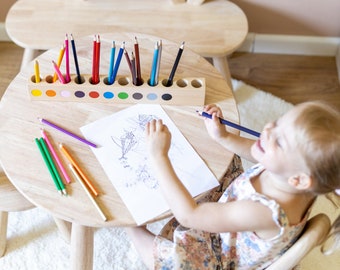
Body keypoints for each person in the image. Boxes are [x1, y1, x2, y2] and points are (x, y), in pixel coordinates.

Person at [126, 101, 340, 269]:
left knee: (172, 260)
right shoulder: (297, 179)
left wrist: (158, 156)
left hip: (221, 256)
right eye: (276, 122)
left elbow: (189, 216)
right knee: (222, 161)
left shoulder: (262, 211)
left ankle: (132, 229)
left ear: (299, 179)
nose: (266, 130)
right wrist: (224, 137)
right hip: (234, 216)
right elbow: (257, 153)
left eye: (279, 141)